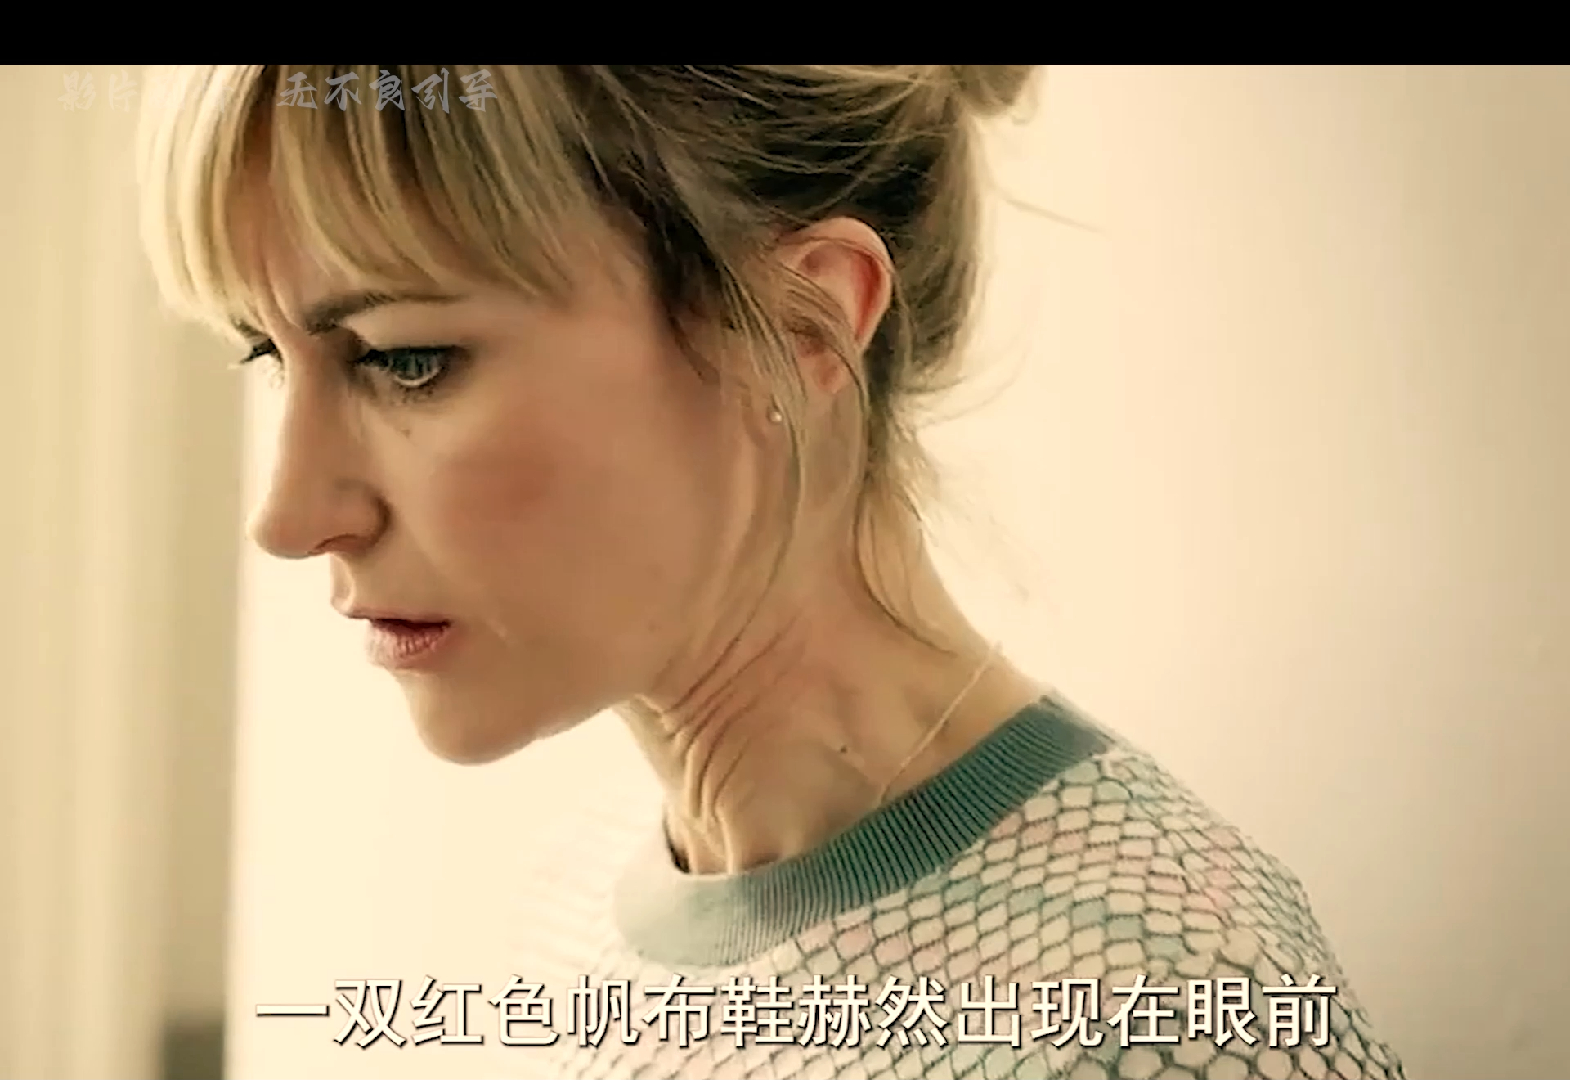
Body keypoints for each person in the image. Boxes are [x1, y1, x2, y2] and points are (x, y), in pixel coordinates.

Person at [137, 65, 1405, 1079]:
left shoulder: (1160, 1003)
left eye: (405, 359)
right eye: (268, 356)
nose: (288, 518)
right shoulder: (577, 907)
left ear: (798, 325)